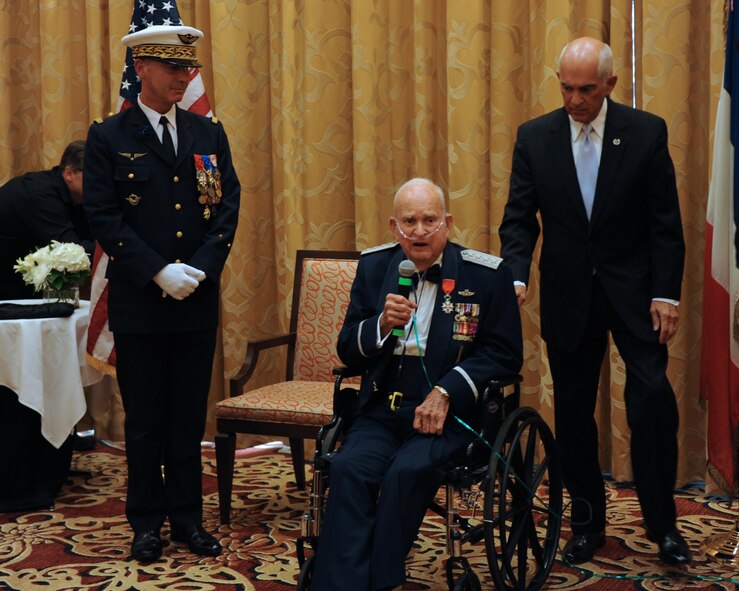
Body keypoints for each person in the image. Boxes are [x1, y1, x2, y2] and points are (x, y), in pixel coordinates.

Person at [499, 37, 690, 565]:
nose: (575, 99)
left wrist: (664, 294)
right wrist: (515, 276)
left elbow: (664, 225)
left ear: (609, 84)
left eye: (586, 89)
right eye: (566, 87)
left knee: (652, 400)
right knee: (575, 415)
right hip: (568, 295)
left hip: (634, 294)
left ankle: (663, 525)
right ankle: (586, 522)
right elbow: (518, 219)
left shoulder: (645, 132)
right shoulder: (535, 137)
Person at [311, 178, 523, 590]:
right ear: (395, 226)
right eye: (410, 221)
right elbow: (346, 348)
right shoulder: (376, 267)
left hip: (449, 413)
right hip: (383, 408)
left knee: (405, 473)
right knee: (350, 468)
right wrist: (380, 325)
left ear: (448, 222)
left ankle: (379, 581)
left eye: (430, 220)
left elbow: (503, 355)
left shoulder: (485, 274)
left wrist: (446, 391)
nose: (420, 231)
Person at [83, 24, 240, 562]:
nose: (183, 77)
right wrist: (157, 272)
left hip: (194, 301)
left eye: (187, 69)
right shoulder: (109, 137)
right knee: (146, 420)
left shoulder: (207, 135)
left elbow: (225, 208)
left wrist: (197, 269)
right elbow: (104, 217)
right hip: (141, 304)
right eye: (172, 68)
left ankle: (188, 520)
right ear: (142, 69)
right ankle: (146, 521)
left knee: (187, 418)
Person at [0, 140, 92, 300]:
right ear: (69, 173)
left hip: (23, 285)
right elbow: (70, 250)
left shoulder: (81, 198)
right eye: (94, 176)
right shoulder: (39, 194)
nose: (102, 183)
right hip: (8, 287)